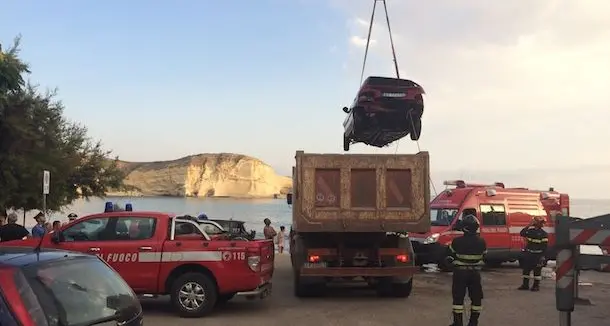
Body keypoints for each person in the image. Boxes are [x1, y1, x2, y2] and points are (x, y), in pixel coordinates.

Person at [446, 214, 487, 326]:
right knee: (476, 298)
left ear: (464, 227)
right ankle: (473, 323)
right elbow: (484, 257)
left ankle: (458, 323)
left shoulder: (457, 242)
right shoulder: (482, 242)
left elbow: (449, 256)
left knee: (458, 299)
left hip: (460, 273)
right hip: (475, 273)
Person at [518, 216, 549, 292]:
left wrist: (543, 257)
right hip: (529, 254)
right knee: (526, 270)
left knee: (537, 272)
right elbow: (522, 233)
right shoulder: (530, 231)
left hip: (537, 255)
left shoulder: (544, 234)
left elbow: (544, 247)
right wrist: (528, 225)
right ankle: (525, 285)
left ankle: (536, 286)